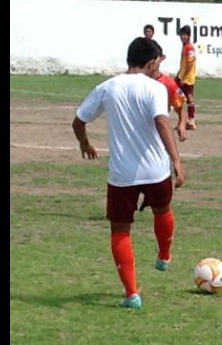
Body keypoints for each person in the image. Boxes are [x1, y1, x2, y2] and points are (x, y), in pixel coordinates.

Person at [72, 37, 186, 309]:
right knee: (163, 210)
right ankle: (164, 255)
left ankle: (132, 294)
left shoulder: (107, 87)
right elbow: (162, 122)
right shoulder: (156, 88)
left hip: (122, 174)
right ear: (151, 62)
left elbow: (78, 122)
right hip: (156, 170)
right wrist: (176, 160)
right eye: (158, 61)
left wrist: (85, 143)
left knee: (120, 230)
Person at [175, 25, 198, 131]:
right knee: (179, 97)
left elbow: (190, 64)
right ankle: (185, 121)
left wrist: (183, 78)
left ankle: (190, 121)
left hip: (187, 77)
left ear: (189, 36)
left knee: (186, 97)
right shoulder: (185, 46)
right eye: (182, 35)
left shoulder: (189, 47)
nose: (183, 37)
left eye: (185, 35)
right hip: (182, 75)